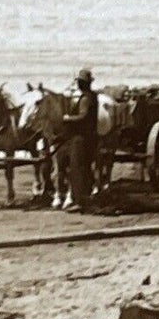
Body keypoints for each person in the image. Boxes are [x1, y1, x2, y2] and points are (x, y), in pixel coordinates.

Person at [58, 68, 99, 213]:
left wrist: (67, 118)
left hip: (82, 139)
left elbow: (83, 116)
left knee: (77, 169)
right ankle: (82, 198)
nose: (79, 84)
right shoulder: (90, 96)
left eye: (81, 82)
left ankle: (79, 201)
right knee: (82, 168)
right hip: (86, 138)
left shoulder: (86, 98)